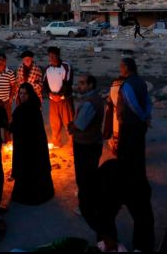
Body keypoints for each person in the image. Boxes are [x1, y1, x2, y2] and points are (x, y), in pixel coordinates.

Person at [88, 159, 155, 252]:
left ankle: (142, 248)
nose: (119, 208)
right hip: (108, 182)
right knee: (104, 215)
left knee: (143, 218)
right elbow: (100, 213)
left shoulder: (139, 188)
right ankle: (106, 242)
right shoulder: (101, 188)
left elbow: (145, 220)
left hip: (134, 185)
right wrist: (106, 236)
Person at [9, 83, 54, 205]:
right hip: (31, 145)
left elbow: (14, 127)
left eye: (25, 93)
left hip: (29, 146)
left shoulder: (26, 109)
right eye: (20, 93)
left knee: (29, 170)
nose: (22, 96)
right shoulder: (32, 107)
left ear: (30, 94)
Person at [68, 74, 104, 224]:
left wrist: (71, 127)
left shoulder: (90, 102)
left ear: (90, 85)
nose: (79, 86)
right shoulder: (94, 98)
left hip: (86, 144)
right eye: (79, 83)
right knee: (89, 174)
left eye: (82, 83)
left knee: (84, 177)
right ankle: (90, 200)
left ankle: (85, 207)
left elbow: (80, 125)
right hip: (92, 142)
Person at [116, 57, 152, 175]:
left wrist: (143, 117)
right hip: (140, 124)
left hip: (129, 124)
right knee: (138, 152)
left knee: (125, 152)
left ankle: (127, 177)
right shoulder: (141, 81)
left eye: (121, 66)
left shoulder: (127, 84)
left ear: (127, 67)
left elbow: (133, 104)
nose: (120, 69)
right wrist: (146, 115)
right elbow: (148, 100)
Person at [42, 46, 74, 147]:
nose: (51, 58)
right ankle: (56, 142)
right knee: (54, 122)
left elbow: (67, 83)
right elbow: (45, 83)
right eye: (49, 56)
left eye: (53, 55)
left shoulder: (66, 66)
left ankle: (72, 143)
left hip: (64, 100)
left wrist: (59, 95)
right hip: (53, 101)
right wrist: (50, 94)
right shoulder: (48, 68)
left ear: (58, 55)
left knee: (68, 121)